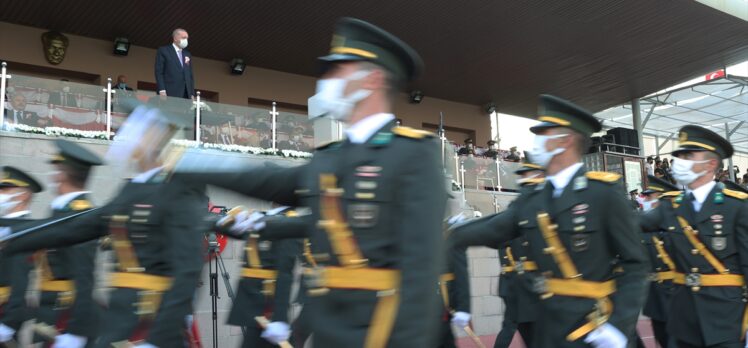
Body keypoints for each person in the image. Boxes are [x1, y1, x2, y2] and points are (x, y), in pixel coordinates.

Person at [177, 17, 446, 347]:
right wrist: (188, 161)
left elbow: (421, 276)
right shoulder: (331, 156)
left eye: (338, 70)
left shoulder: (414, 153)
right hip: (329, 329)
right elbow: (271, 180)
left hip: (383, 331)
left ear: (373, 79)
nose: (327, 81)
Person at [448, 94, 648, 348]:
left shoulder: (603, 194)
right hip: (549, 329)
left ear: (565, 140)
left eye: (545, 133)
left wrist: (619, 327)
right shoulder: (533, 198)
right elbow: (492, 229)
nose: (537, 141)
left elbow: (636, 264)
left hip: (595, 327)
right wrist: (450, 231)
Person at [0, 105, 208, 347]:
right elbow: (74, 228)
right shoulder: (133, 189)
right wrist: (10, 233)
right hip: (119, 321)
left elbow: (188, 271)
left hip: (152, 322)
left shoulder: (179, 190)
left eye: (133, 129)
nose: (124, 135)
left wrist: (159, 337)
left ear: (153, 137)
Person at [640, 125, 748, 347]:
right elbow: (632, 225)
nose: (680, 161)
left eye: (688, 155)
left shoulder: (736, 206)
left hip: (725, 318)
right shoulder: (671, 206)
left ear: (711, 164)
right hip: (683, 319)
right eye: (679, 155)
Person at [31, 140, 103, 348]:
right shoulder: (61, 210)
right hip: (52, 312)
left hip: (67, 316)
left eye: (57, 170)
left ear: (61, 174)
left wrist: (76, 332)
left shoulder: (79, 214)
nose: (53, 176)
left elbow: (84, 275)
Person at [218, 206, 303, 348]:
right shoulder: (264, 217)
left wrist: (279, 319)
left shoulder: (289, 222)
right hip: (254, 305)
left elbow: (285, 273)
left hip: (267, 308)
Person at [494, 159, 545, 348]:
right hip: (530, 284)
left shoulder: (511, 217)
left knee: (512, 326)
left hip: (511, 283)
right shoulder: (533, 214)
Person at [0, 166, 41, 346]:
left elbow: (21, 279)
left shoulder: (26, 230)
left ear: (23, 195)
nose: (1, 194)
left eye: (5, 189)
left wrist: (8, 323)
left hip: (4, 311)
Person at [638, 175, 680, 348]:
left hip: (675, 294)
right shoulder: (644, 227)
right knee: (661, 339)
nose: (646, 199)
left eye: (650, 196)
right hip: (654, 297)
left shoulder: (678, 225)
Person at [155, 28, 195, 99]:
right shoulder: (164, 51)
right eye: (184, 38)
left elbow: (190, 75)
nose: (186, 40)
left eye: (187, 38)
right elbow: (159, 72)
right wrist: (162, 90)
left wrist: (192, 93)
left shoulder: (187, 54)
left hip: (186, 94)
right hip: (170, 92)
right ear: (175, 38)